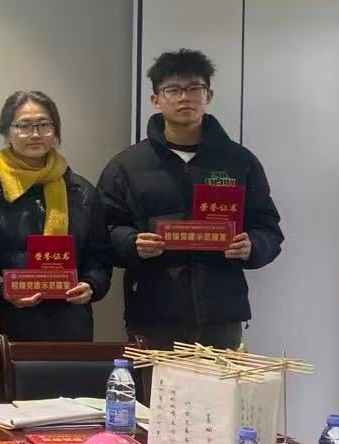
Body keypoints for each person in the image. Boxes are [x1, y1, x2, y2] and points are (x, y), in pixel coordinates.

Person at [97, 49, 283, 351]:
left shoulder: (239, 161)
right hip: (153, 312)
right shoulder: (127, 165)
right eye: (173, 89)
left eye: (194, 88)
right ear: (155, 99)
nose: (184, 97)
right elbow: (103, 230)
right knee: (153, 384)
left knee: (221, 384)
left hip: (221, 314)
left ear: (208, 95)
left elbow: (268, 228)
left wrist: (253, 246)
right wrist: (131, 243)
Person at [0, 91, 113, 341]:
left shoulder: (83, 192)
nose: (35, 134)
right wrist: (3, 289)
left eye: (44, 125)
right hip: (5, 324)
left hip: (70, 326)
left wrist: (91, 284)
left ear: (55, 132)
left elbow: (100, 256)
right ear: (7, 132)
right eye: (24, 126)